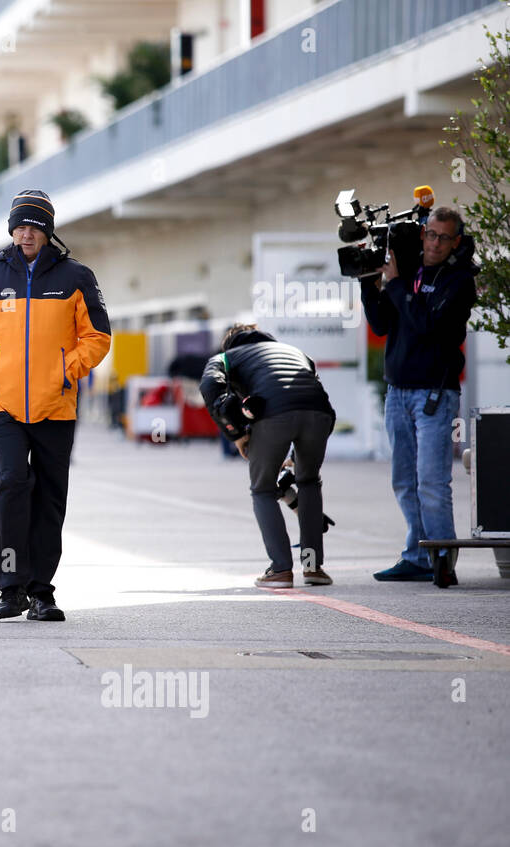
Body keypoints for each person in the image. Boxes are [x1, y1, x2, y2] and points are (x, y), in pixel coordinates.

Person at [0, 189, 111, 621]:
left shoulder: (76, 276)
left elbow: (97, 336)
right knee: (9, 486)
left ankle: (42, 591)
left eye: (35, 227)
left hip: (56, 406)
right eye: (19, 226)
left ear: (47, 232)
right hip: (2, 404)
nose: (26, 234)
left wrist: (66, 370)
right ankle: (11, 588)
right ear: (11, 229)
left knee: (50, 498)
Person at [360, 206, 477, 586]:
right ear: (423, 233)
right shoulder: (409, 273)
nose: (435, 243)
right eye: (431, 234)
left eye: (444, 237)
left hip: (433, 395)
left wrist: (396, 287)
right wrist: (367, 283)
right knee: (404, 481)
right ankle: (417, 555)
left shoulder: (459, 281)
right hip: (398, 391)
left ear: (455, 241)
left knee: (431, 480)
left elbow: (429, 326)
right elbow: (381, 323)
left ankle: (442, 559)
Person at [199, 323, 337, 588]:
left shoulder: (226, 357)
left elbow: (210, 386)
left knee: (262, 489)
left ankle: (281, 570)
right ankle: (312, 567)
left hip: (275, 415)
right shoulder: (295, 352)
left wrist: (236, 433)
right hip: (320, 414)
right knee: (308, 482)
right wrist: (295, 459)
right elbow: (313, 393)